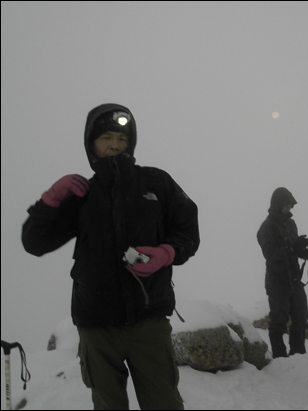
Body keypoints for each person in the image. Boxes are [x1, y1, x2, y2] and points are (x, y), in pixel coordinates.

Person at [22, 103, 200, 410]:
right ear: (91, 143)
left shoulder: (157, 183)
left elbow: (188, 232)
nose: (115, 144)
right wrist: (50, 200)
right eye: (106, 137)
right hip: (97, 325)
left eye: (122, 137)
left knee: (163, 403)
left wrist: (165, 253)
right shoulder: (83, 195)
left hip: (149, 322)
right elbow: (34, 242)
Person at [257, 187, 308, 358]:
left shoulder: (290, 224)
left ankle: (298, 354)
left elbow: (293, 248)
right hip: (277, 279)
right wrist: (292, 248)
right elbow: (270, 255)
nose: (289, 208)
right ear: (277, 205)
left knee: (301, 316)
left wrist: (302, 249)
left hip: (294, 277)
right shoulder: (266, 228)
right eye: (286, 205)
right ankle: (280, 357)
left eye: (290, 205)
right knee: (278, 319)